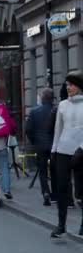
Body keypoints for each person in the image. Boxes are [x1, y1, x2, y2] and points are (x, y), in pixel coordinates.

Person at [50, 71, 83, 238]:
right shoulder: (62, 105)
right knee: (62, 188)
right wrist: (54, 151)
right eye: (67, 85)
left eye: (71, 84)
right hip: (63, 151)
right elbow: (58, 130)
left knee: (81, 191)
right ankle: (61, 224)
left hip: (81, 152)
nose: (68, 87)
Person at [25, 88, 55, 206]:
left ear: (42, 98)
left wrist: (34, 141)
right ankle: (56, 195)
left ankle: (46, 192)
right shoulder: (56, 109)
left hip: (40, 145)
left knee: (42, 171)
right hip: (54, 145)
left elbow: (28, 129)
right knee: (55, 170)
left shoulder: (34, 111)